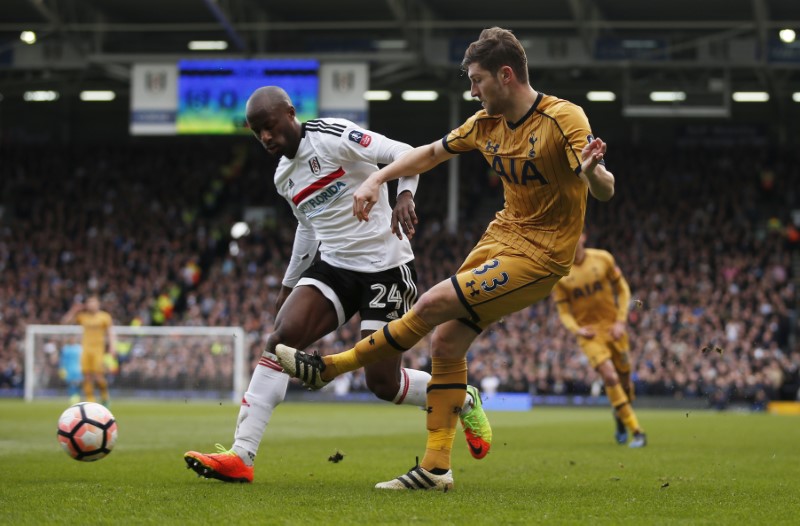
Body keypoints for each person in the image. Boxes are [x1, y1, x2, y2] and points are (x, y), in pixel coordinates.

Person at [276, 27, 616, 491]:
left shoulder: (563, 118)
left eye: (477, 81)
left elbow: (604, 188)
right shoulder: (483, 125)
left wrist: (593, 171)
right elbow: (428, 155)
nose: (472, 91)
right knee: (445, 344)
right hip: (502, 237)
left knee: (433, 303)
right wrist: (377, 181)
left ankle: (332, 366)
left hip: (543, 254)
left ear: (506, 75)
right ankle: (436, 469)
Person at [183, 86, 491, 484]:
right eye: (257, 132)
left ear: (290, 113)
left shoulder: (333, 135)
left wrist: (404, 195)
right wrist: (289, 284)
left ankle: (463, 398)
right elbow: (307, 230)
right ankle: (241, 455)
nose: (265, 138)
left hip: (387, 267)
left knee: (383, 383)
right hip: (336, 269)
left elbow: (405, 153)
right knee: (280, 340)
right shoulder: (283, 176)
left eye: (270, 126)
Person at [551, 232, 646, 447]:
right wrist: (577, 330)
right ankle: (637, 431)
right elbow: (564, 311)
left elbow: (622, 289)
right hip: (590, 334)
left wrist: (621, 321)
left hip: (614, 328)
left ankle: (620, 417)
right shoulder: (561, 274)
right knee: (610, 377)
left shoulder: (603, 258)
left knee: (625, 382)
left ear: (583, 237)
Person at [61, 295, 115, 406]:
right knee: (87, 376)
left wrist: (112, 346)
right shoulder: (83, 316)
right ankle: (91, 401)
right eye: (89, 302)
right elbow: (65, 322)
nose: (91, 304)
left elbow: (110, 332)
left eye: (93, 302)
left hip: (98, 351)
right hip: (86, 350)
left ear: (98, 304)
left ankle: (105, 397)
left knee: (99, 376)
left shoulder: (104, 317)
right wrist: (74, 310)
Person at [58, 337, 83, 405]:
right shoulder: (66, 348)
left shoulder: (79, 348)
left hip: (77, 369)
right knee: (70, 384)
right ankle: (72, 397)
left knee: (77, 384)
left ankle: (76, 397)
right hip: (68, 369)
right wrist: (62, 368)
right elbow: (63, 360)